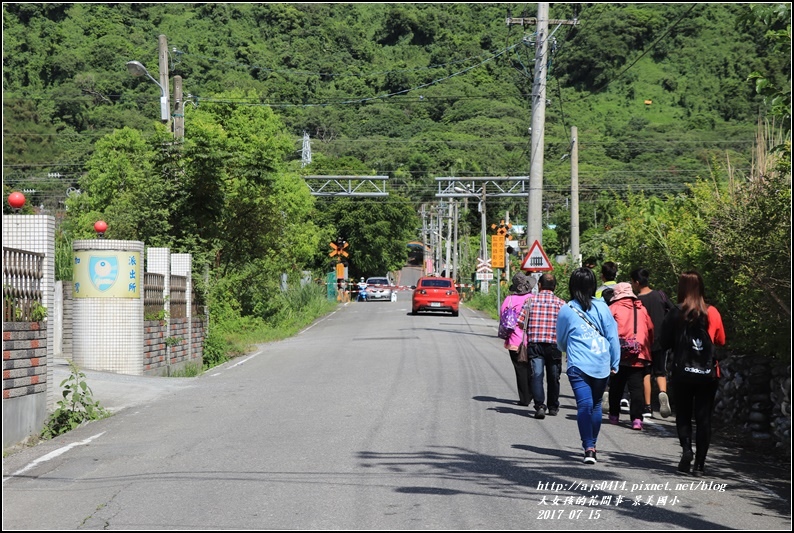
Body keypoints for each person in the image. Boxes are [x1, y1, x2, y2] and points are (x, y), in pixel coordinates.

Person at [660, 270, 726, 477]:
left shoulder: (676, 312)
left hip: (682, 371)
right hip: (708, 373)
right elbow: (721, 340)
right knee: (704, 417)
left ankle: (687, 449)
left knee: (684, 415)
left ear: (681, 288)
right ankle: (700, 465)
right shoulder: (712, 312)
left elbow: (664, 342)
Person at [556, 267, 620, 464]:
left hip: (578, 365)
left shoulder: (567, 309)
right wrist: (615, 362)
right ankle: (592, 445)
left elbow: (561, 340)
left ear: (573, 285)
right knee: (596, 404)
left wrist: (572, 348)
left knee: (585, 405)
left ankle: (589, 447)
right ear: (593, 285)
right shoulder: (603, 308)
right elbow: (612, 337)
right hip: (602, 362)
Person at [515, 272, 565, 419]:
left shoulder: (531, 302)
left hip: (535, 344)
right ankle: (553, 406)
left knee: (536, 375)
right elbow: (567, 326)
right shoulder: (561, 304)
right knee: (554, 376)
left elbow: (520, 322)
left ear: (539, 285)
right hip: (555, 346)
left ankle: (539, 406)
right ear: (555, 287)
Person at [606, 282, 654, 431]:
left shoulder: (613, 308)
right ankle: (637, 419)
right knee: (636, 387)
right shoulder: (641, 308)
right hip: (638, 352)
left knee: (616, 386)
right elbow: (650, 330)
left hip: (619, 352)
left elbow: (605, 328)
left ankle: (614, 415)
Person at [630, 267, 674, 419]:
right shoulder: (660, 295)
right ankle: (663, 393)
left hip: (645, 342)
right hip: (662, 340)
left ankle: (647, 407)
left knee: (646, 373)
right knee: (660, 371)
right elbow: (674, 310)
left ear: (636, 282)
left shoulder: (637, 301)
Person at [500, 272, 537, 407]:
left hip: (515, 340)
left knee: (520, 369)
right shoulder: (533, 299)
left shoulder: (509, 300)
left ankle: (524, 398)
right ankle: (534, 393)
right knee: (532, 369)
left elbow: (503, 317)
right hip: (532, 339)